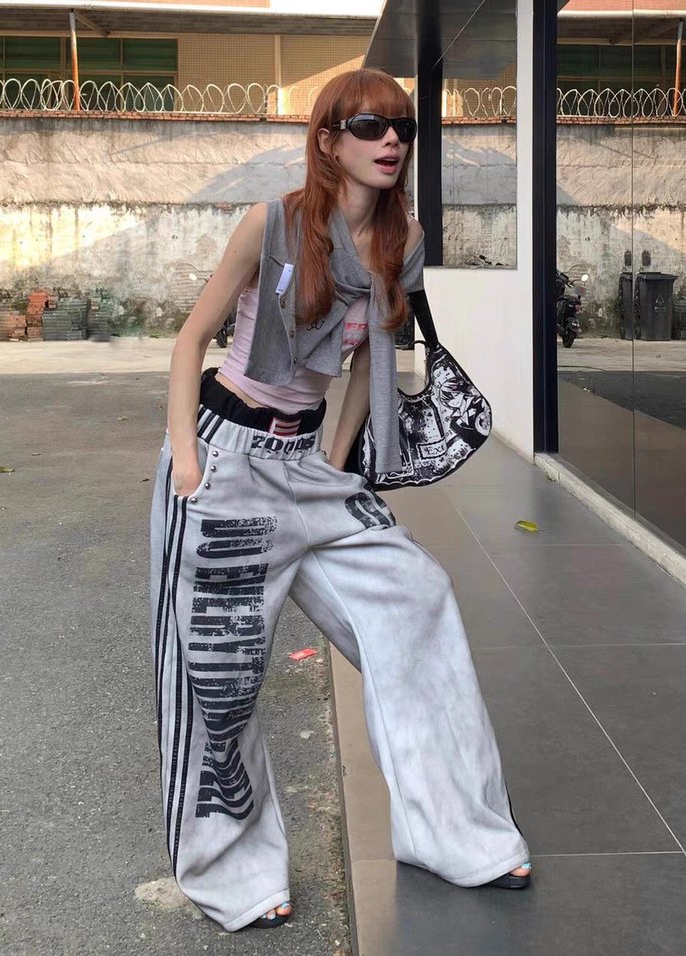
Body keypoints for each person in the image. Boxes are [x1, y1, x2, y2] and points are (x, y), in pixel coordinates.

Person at [149, 67, 531, 934]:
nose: (391, 140)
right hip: (226, 456)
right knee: (218, 675)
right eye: (369, 125)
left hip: (310, 465)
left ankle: (453, 833)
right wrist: (186, 463)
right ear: (328, 140)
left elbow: (367, 363)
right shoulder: (273, 223)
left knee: (416, 598)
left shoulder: (404, 239)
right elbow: (190, 338)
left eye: (402, 127)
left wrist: (334, 466)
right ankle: (233, 872)